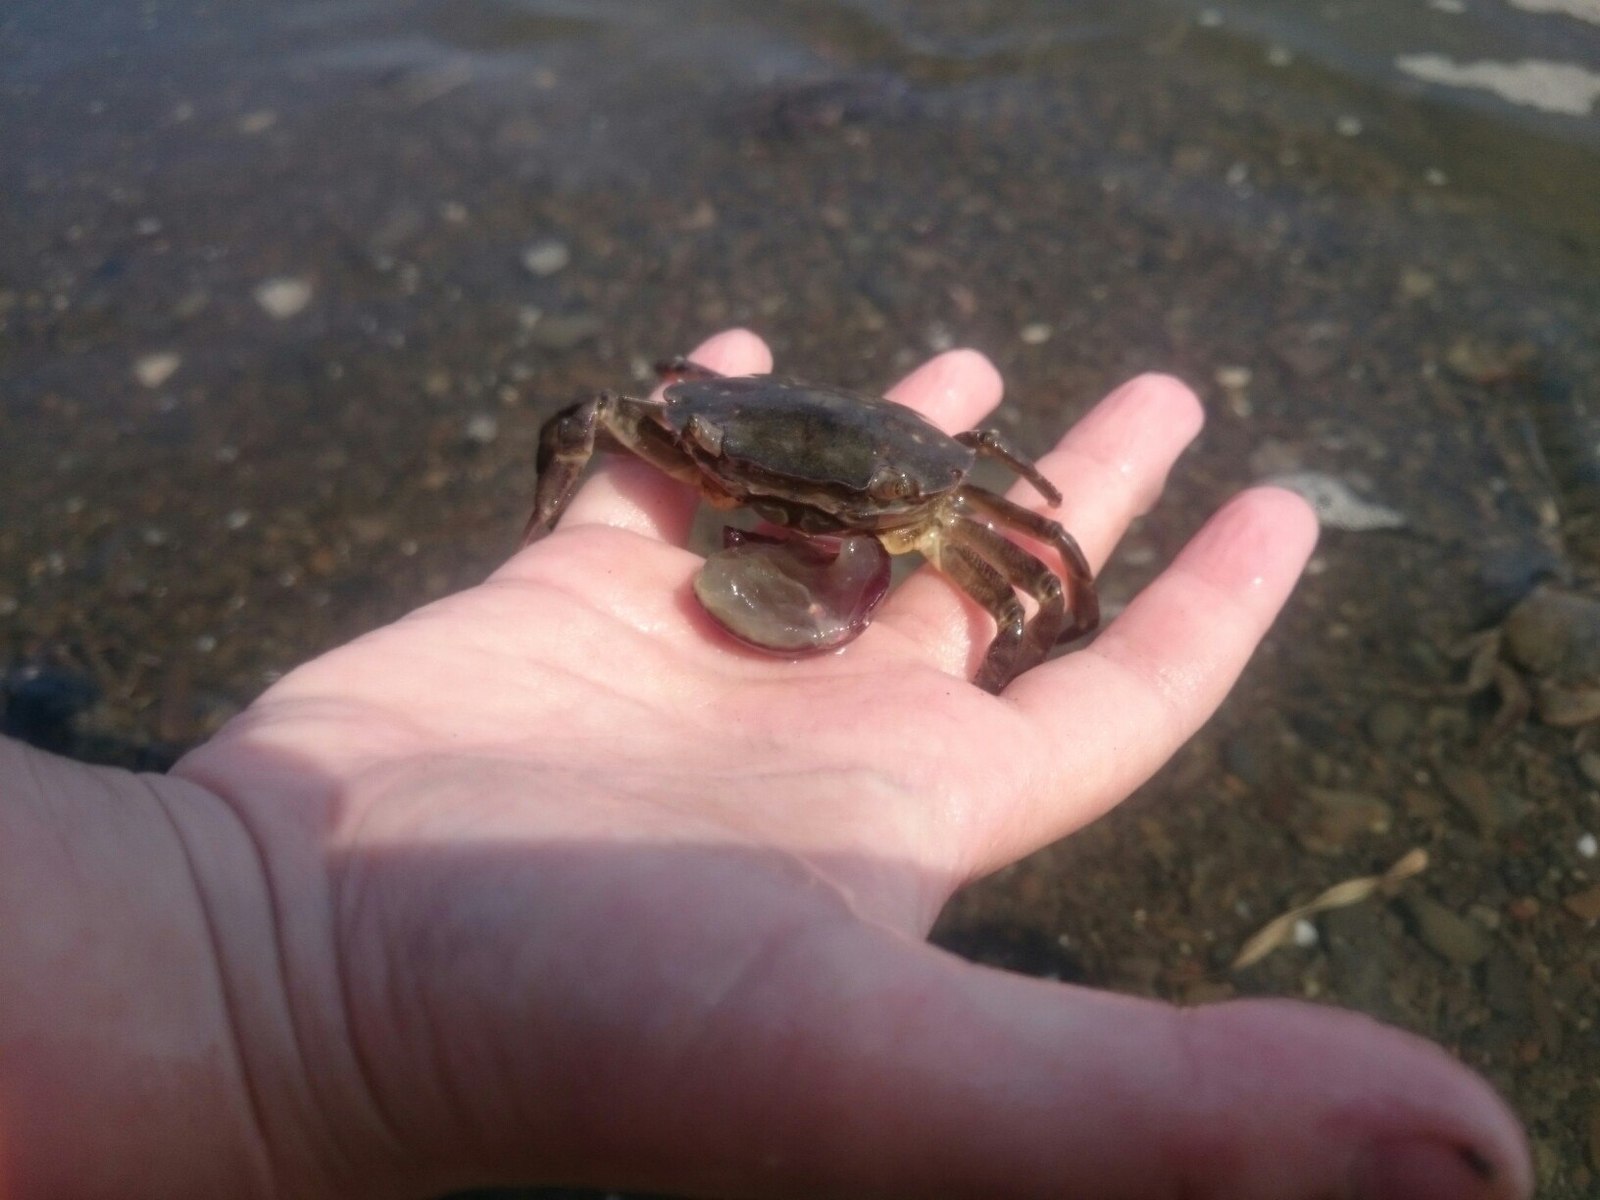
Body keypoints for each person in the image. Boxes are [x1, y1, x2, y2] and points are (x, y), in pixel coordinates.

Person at [0, 329, 1528, 1200]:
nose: (753, 486)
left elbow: (1043, 551)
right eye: (715, 453)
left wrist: (1034, 630)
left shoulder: (948, 505)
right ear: (696, 430)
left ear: (947, 490)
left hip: (908, 491)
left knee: (1041, 580)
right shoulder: (683, 423)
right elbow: (598, 412)